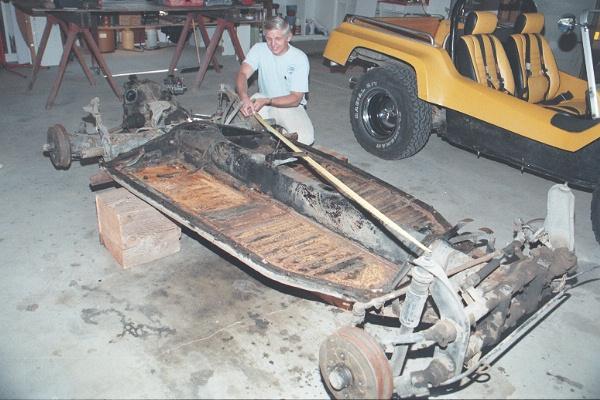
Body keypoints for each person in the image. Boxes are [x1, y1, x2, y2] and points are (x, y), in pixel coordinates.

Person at [235, 16, 315, 145]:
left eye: (278, 39)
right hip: (263, 100)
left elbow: (296, 98)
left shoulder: (299, 58)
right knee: (243, 128)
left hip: (288, 105)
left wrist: (269, 101)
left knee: (305, 138)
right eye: (269, 39)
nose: (273, 44)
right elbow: (243, 73)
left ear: (288, 37)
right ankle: (272, 134)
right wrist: (244, 97)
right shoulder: (258, 49)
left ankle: (277, 133)